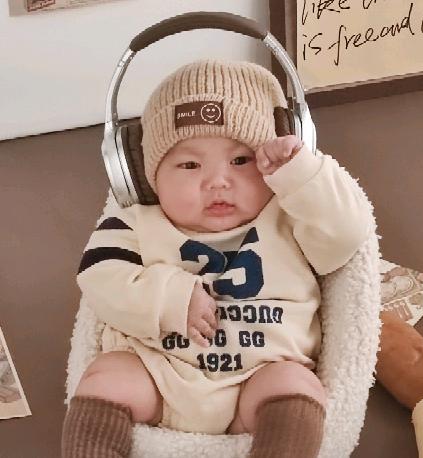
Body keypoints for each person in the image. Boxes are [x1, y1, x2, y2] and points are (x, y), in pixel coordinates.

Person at [61, 59, 371, 458]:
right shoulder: (135, 222)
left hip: (260, 374)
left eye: (241, 161)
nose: (217, 182)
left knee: (296, 386)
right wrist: (168, 298)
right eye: (189, 165)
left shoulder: (290, 213)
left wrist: (300, 175)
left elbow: (345, 236)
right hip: (159, 372)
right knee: (106, 378)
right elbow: (100, 278)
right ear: (144, 176)